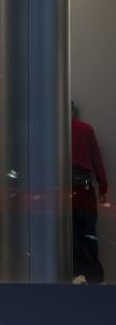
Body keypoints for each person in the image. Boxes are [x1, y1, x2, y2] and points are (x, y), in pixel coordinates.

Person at [72, 101, 108, 285]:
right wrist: (103, 186)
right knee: (88, 231)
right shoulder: (86, 129)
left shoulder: (53, 131)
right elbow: (96, 159)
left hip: (62, 188)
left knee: (70, 232)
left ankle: (79, 273)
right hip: (84, 187)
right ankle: (95, 275)